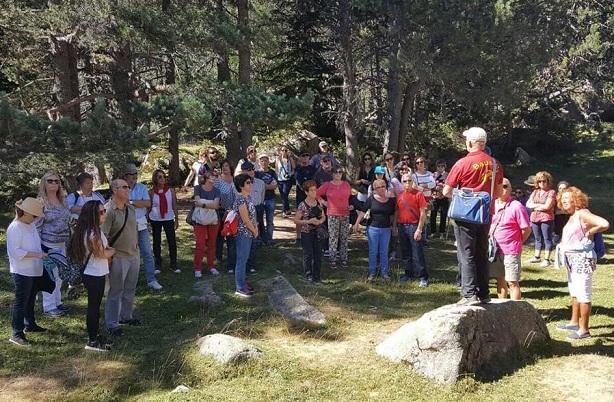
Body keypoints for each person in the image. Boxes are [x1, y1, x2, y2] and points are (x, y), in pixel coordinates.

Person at [443, 127, 504, 305]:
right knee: (481, 252)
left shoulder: (462, 163)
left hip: (465, 215)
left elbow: (447, 191)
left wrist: (464, 194)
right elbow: (499, 192)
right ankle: (484, 292)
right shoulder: (495, 163)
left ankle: (469, 294)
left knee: (466, 253)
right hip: (485, 214)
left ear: (470, 142)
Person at [555, 186, 609, 340]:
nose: (564, 202)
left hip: (582, 259)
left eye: (568, 199)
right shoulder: (573, 215)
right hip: (572, 259)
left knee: (583, 293)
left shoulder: (582, 213)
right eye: (562, 199)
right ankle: (574, 322)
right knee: (575, 291)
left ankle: (584, 330)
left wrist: (591, 232)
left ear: (576, 200)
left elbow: (604, 224)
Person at [69, 200, 115, 352]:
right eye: (101, 212)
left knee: (95, 306)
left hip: (96, 272)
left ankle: (95, 335)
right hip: (94, 274)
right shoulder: (93, 233)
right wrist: (112, 251)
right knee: (93, 307)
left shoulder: (93, 230)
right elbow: (101, 253)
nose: (104, 214)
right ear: (93, 215)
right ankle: (92, 341)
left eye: (104, 211)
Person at [7, 197, 47, 347]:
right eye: (34, 215)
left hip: (33, 269)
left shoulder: (30, 225)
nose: (35, 218)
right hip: (22, 271)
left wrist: (42, 252)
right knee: (21, 301)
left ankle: (29, 324)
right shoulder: (15, 227)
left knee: (30, 299)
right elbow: (15, 252)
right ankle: (16, 333)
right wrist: (38, 255)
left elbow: (35, 243)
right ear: (24, 212)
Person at [103, 179, 140, 337]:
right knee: (115, 291)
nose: (128, 189)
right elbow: (102, 236)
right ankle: (112, 323)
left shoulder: (130, 208)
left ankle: (126, 316)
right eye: (124, 187)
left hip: (133, 255)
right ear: (114, 190)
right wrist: (108, 257)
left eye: (128, 186)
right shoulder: (108, 211)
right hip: (117, 257)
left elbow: (134, 229)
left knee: (130, 289)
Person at [488, 178, 531, 300]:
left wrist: (517, 242)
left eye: (506, 186)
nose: (503, 188)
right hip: (495, 250)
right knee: (500, 280)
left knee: (512, 281)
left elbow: (526, 229)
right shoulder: (493, 204)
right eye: (500, 186)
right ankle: (502, 309)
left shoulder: (517, 207)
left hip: (511, 250)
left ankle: (516, 313)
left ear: (511, 189)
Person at [36, 172, 71, 317]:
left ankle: (58, 303)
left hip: (62, 243)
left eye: (57, 181)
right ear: (44, 183)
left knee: (59, 275)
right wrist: (39, 248)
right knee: (50, 276)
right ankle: (49, 307)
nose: (54, 184)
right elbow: (37, 226)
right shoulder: (41, 202)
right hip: (47, 244)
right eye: (50, 181)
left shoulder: (63, 200)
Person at [124, 163, 163, 290]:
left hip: (141, 224)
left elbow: (147, 203)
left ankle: (151, 279)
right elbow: (120, 204)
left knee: (147, 252)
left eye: (135, 174)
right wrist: (137, 203)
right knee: (129, 255)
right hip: (126, 226)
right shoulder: (121, 187)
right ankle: (129, 282)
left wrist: (131, 202)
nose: (134, 176)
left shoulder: (141, 187)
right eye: (131, 174)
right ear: (126, 176)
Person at [354, 179, 396, 282]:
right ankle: (372, 273)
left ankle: (384, 273)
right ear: (374, 189)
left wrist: (394, 226)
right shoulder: (371, 199)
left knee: (384, 252)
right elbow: (363, 212)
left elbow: (393, 215)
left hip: (386, 229)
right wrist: (356, 224)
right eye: (378, 187)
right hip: (373, 228)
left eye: (383, 186)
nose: (381, 189)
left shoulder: (391, 201)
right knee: (373, 251)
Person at [394, 173, 429, 287]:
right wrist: (395, 226)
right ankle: (408, 274)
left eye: (409, 180)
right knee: (405, 252)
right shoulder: (399, 195)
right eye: (405, 181)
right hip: (402, 226)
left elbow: (423, 213)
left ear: (413, 181)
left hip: (414, 226)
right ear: (401, 182)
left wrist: (419, 229)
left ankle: (423, 277)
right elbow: (397, 212)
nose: (407, 183)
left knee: (417, 253)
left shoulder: (419, 194)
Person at [317, 167, 352, 269]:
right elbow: (316, 194)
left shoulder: (346, 184)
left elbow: (350, 197)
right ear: (332, 174)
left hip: (345, 214)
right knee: (333, 238)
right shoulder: (327, 185)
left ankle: (344, 259)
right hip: (332, 214)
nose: (338, 174)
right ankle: (332, 260)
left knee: (344, 237)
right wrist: (323, 202)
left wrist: (352, 206)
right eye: (335, 172)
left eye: (340, 172)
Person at [294, 180, 326, 283]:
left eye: (315, 190)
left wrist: (320, 221)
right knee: (308, 254)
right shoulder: (302, 205)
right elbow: (296, 220)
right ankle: (308, 274)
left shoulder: (318, 203)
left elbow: (323, 216)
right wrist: (309, 221)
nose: (314, 192)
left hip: (317, 232)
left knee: (318, 254)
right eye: (311, 190)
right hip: (306, 232)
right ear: (306, 192)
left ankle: (317, 275)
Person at [232, 174, 259, 297]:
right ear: (241, 185)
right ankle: (239, 287)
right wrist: (254, 230)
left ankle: (243, 282)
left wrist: (255, 228)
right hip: (243, 233)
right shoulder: (240, 200)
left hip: (249, 233)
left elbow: (252, 217)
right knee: (241, 260)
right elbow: (246, 220)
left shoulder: (248, 198)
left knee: (245, 258)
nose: (251, 184)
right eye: (248, 182)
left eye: (251, 182)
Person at [148, 169, 179, 273]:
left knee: (172, 241)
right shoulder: (151, 192)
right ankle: (158, 263)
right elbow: (149, 206)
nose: (162, 179)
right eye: (159, 177)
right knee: (157, 241)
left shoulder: (170, 191)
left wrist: (176, 219)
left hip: (168, 218)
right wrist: (147, 218)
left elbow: (174, 205)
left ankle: (173, 264)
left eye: (163, 176)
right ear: (155, 179)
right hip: (155, 219)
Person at [193, 166, 221, 278]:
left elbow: (216, 205)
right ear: (206, 177)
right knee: (200, 244)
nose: (213, 178)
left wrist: (203, 204)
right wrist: (210, 204)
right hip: (199, 220)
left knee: (212, 244)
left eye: (215, 177)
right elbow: (196, 202)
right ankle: (197, 268)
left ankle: (211, 266)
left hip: (213, 220)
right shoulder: (197, 188)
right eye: (211, 176)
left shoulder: (217, 190)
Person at [526, 171, 557, 267]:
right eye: (539, 181)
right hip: (535, 218)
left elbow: (547, 207)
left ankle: (547, 259)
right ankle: (537, 257)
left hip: (546, 219)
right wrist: (540, 206)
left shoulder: (551, 192)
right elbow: (528, 204)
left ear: (548, 181)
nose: (542, 183)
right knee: (537, 238)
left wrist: (534, 206)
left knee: (547, 238)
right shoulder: (535, 192)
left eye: (544, 181)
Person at [214, 159, 237, 273]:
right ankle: (217, 260)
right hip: (220, 211)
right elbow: (215, 195)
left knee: (231, 239)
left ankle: (231, 264)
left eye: (227, 166)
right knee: (219, 238)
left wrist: (231, 210)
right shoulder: (218, 180)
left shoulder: (235, 180)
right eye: (223, 166)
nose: (225, 168)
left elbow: (238, 196)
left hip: (232, 212)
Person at [242, 161, 265, 273]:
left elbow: (262, 197)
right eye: (248, 170)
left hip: (257, 209)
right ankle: (244, 263)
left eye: (252, 169)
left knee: (255, 237)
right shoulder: (239, 183)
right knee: (245, 238)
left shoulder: (260, 183)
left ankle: (252, 264)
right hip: (244, 211)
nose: (251, 172)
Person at [256, 154, 278, 247]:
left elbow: (274, 185)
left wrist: (264, 186)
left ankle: (269, 239)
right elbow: (256, 186)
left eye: (265, 160)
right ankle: (260, 238)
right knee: (259, 221)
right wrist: (267, 186)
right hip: (260, 199)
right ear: (259, 162)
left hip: (270, 199)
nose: (264, 162)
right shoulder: (257, 173)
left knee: (270, 220)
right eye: (262, 160)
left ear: (268, 162)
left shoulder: (272, 173)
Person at [295, 150, 317, 243]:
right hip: (301, 196)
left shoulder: (313, 169)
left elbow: (315, 182)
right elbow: (300, 184)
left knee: (314, 215)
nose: (305, 157)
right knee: (300, 216)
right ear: (300, 158)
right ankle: (298, 237)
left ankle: (314, 235)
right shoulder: (298, 170)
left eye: (307, 155)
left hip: (313, 196)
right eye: (303, 155)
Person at [430, 160, 449, 239]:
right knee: (433, 215)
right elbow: (430, 185)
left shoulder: (447, 175)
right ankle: (433, 232)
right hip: (435, 197)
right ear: (436, 167)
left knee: (443, 215)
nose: (440, 168)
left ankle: (442, 232)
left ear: (444, 167)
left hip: (444, 197)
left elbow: (449, 185)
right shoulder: (433, 175)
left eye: (442, 166)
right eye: (439, 166)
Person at [275, 146, 296, 218]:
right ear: (280, 151)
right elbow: (276, 169)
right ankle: (288, 209)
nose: (284, 152)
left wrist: (290, 174)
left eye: (285, 150)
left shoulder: (290, 159)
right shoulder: (278, 159)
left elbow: (294, 169)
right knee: (283, 196)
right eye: (282, 150)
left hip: (288, 180)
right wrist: (276, 178)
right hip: (280, 180)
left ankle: (284, 211)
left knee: (284, 194)